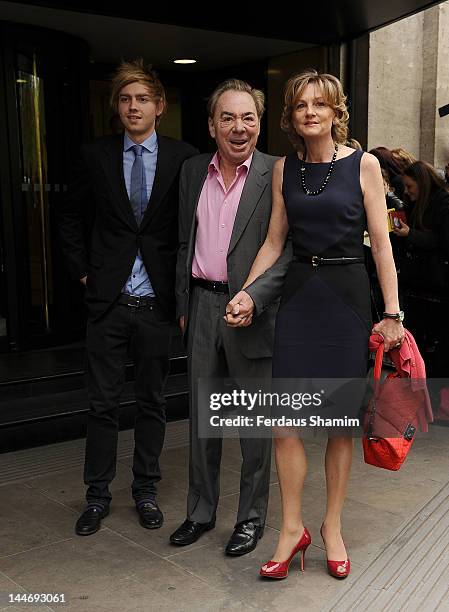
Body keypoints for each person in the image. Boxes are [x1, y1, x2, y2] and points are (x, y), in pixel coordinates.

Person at [227, 70, 403, 579]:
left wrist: (391, 312)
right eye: (301, 104)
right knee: (286, 425)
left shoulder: (364, 165)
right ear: (292, 114)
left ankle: (331, 527)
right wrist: (248, 293)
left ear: (335, 112)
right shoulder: (284, 169)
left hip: (345, 300)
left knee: (339, 428)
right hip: (299, 301)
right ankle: (290, 529)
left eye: (319, 104)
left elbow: (382, 243)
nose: (310, 112)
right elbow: (275, 242)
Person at [58, 59, 197, 536]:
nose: (132, 106)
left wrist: (183, 293)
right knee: (101, 406)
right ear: (116, 108)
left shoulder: (184, 158)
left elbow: (192, 231)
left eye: (141, 99)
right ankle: (97, 497)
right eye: (124, 99)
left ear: (159, 106)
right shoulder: (95, 155)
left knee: (152, 402)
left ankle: (145, 491)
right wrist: (83, 274)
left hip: (157, 304)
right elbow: (70, 216)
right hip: (108, 302)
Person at [170, 79, 290, 555]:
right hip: (201, 306)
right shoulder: (192, 171)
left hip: (252, 312)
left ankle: (251, 518)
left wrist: (255, 298)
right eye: (228, 117)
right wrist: (184, 306)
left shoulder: (278, 172)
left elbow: (285, 252)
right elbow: (183, 242)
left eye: (248, 118)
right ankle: (200, 513)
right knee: (203, 419)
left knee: (254, 425)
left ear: (260, 124)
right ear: (211, 125)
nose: (238, 128)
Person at [393, 161, 449, 374]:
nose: (406, 192)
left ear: (421, 184)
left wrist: (411, 235)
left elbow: (443, 242)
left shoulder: (442, 204)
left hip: (436, 287)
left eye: (410, 187)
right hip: (416, 284)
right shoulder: (413, 204)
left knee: (435, 350)